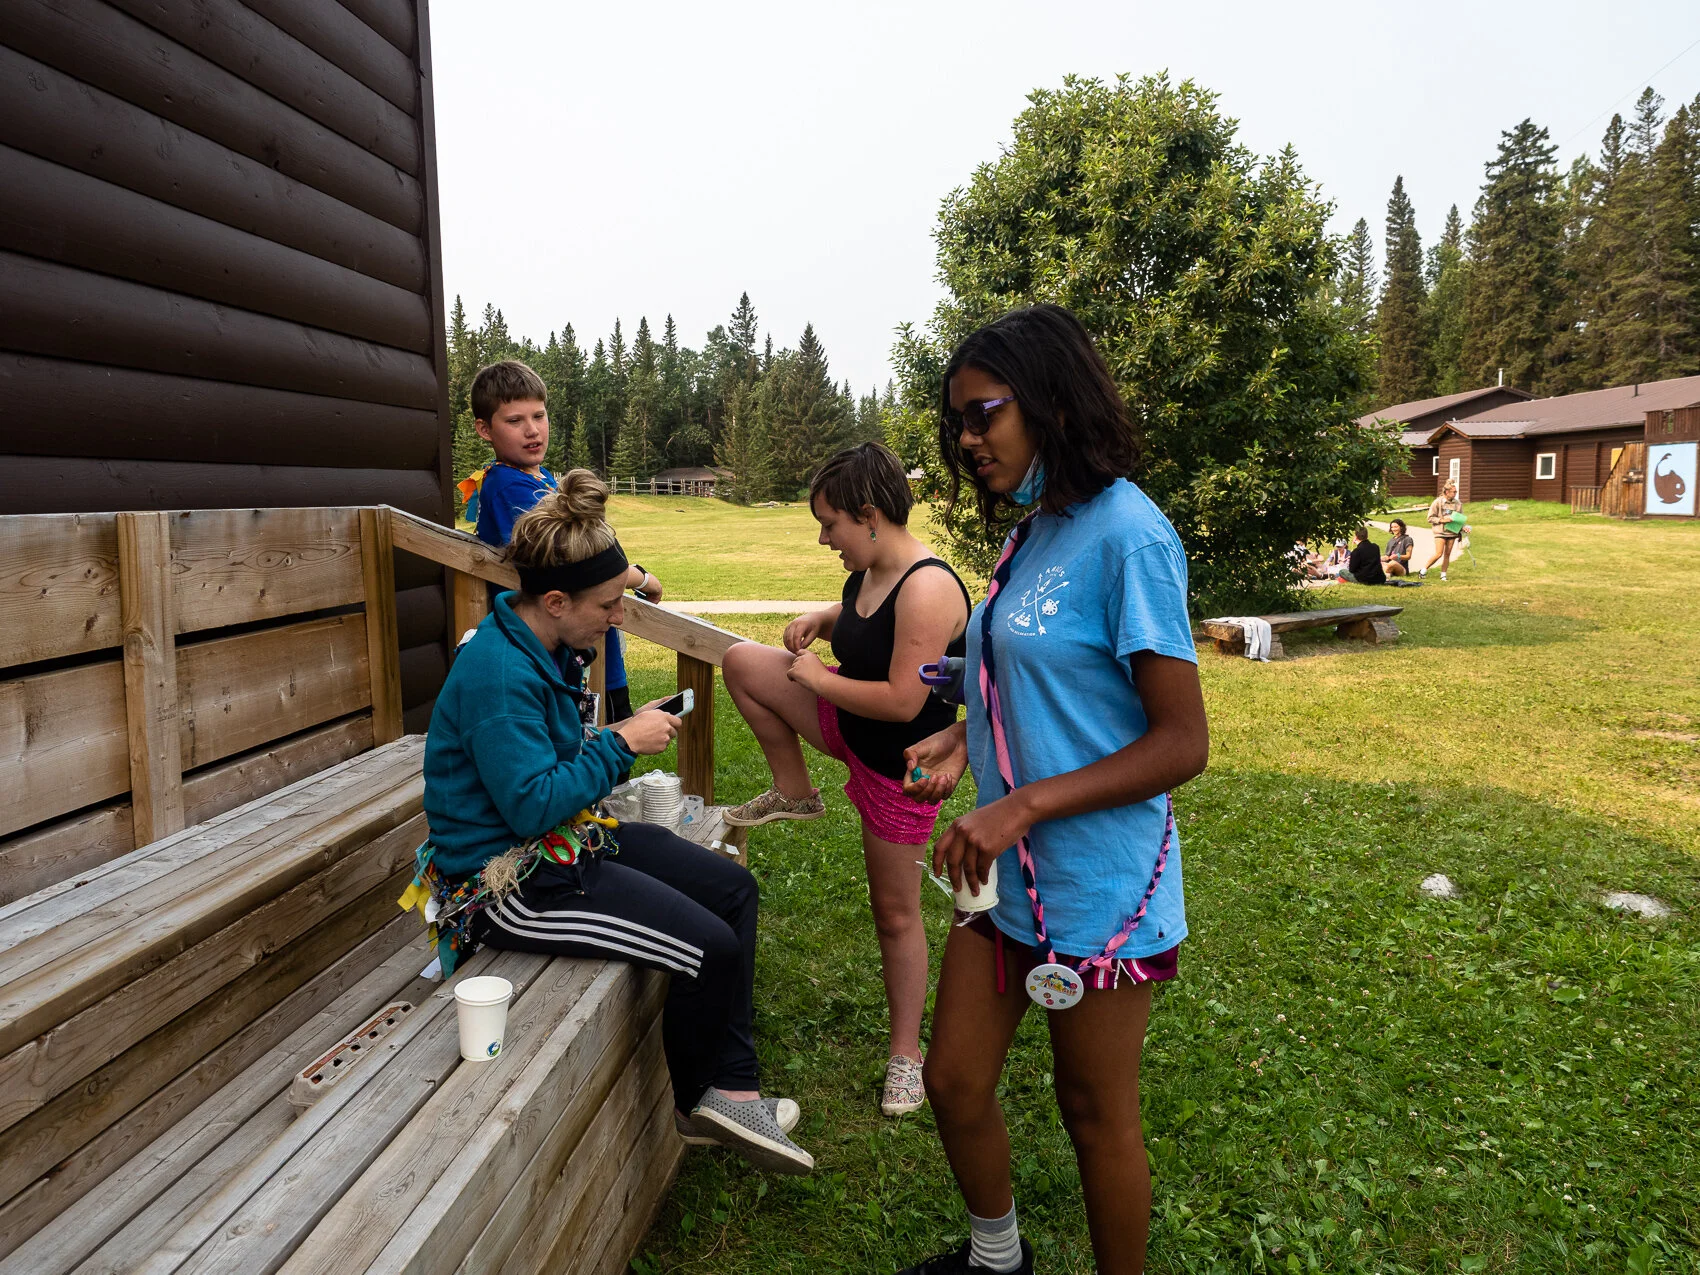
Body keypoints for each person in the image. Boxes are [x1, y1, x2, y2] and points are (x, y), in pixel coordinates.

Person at [897, 306, 1209, 1275]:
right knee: (952, 1079)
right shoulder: (1033, 532)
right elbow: (1038, 673)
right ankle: (997, 1260)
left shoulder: (1130, 538)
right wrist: (967, 735)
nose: (966, 439)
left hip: (1100, 886)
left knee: (1093, 1110)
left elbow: (1182, 742)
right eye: (957, 421)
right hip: (1003, 879)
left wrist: (1020, 804)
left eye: (982, 414)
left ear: (1051, 402)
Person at [417, 471, 814, 1175]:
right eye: (608, 603)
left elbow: (551, 772)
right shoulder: (499, 675)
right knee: (708, 949)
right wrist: (622, 743)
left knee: (732, 889)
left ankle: (733, 1088)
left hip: (561, 843)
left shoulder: (542, 646)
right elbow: (531, 804)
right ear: (556, 601)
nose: (620, 616)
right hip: (505, 887)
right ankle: (697, 1104)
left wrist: (612, 736)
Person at [721, 442, 971, 1117]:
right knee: (742, 661)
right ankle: (796, 792)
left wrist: (819, 679)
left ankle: (906, 1056)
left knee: (895, 914)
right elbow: (860, 620)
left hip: (898, 768)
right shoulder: (870, 570)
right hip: (846, 729)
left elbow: (904, 701)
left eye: (830, 524)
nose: (825, 538)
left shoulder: (927, 588)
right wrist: (820, 619)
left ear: (868, 514)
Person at [460, 359, 662, 727]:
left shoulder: (542, 481)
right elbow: (579, 560)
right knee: (593, 741)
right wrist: (643, 579)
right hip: (555, 642)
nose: (532, 430)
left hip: (584, 638)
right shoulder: (508, 485)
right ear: (484, 429)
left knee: (612, 731)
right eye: (515, 421)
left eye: (539, 416)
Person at [1421, 480, 1467, 580]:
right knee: (1439, 553)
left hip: (1452, 532)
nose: (1455, 493)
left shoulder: (1458, 503)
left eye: (1456, 491)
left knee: (1447, 554)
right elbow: (1430, 518)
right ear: (1447, 492)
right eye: (1453, 492)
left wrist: (1464, 527)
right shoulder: (1437, 502)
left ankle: (1443, 575)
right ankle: (1423, 570)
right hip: (1440, 532)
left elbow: (1460, 519)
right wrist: (1443, 520)